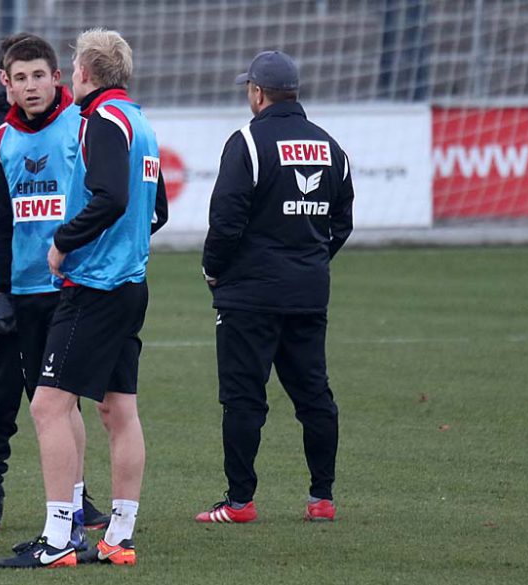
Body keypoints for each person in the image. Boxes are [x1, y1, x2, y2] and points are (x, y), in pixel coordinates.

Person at [0, 28, 168, 569]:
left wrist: (65, 241)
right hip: (129, 284)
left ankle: (59, 537)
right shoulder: (139, 121)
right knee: (119, 409)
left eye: (72, 68)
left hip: (95, 286)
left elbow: (111, 197)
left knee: (48, 405)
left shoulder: (102, 121)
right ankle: (117, 535)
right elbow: (156, 208)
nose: (71, 75)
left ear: (86, 73)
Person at [0, 33, 110, 534]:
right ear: (6, 81)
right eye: (21, 77)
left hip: (65, 291)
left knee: (62, 399)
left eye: (39, 74)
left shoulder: (82, 126)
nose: (31, 85)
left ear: (56, 77)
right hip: (2, 292)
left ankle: (75, 503)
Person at [194, 51, 354, 524]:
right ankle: (321, 498)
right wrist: (310, 262)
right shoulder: (331, 146)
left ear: (258, 93)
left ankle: (239, 502)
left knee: (244, 398)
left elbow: (225, 219)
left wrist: (212, 269)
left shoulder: (246, 141)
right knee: (314, 396)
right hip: (308, 293)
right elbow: (340, 223)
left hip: (249, 296)